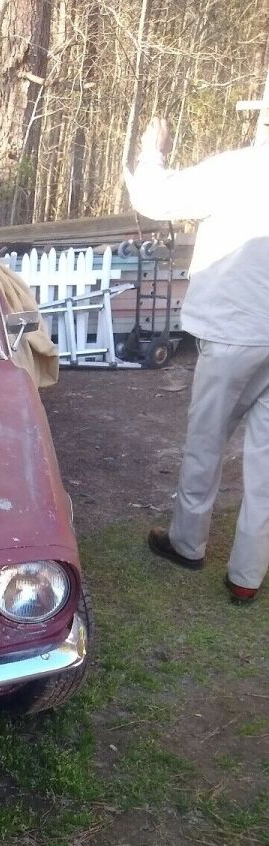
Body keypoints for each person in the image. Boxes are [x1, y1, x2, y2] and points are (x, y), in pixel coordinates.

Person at [124, 117, 269, 604]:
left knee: (206, 442)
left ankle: (188, 544)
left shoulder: (238, 169)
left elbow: (156, 198)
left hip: (233, 331)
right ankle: (247, 575)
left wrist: (152, 150)